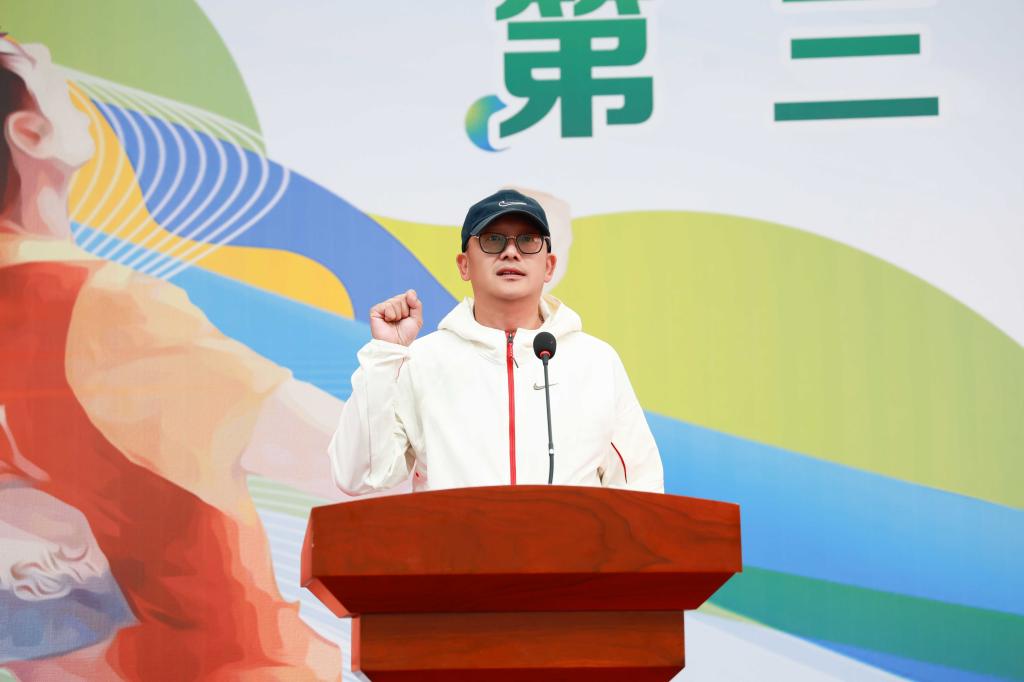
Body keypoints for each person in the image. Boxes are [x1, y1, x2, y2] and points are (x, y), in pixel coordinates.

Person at [1, 38, 344, 679]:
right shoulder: (101, 308)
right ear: (30, 133)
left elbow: (30, 623)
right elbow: (355, 461)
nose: (44, 50)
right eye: (41, 70)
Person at [329, 189, 664, 493]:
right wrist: (386, 353)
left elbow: (641, 486)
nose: (511, 252)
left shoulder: (595, 361)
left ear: (549, 266)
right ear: (464, 265)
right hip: (453, 545)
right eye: (493, 240)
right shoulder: (422, 360)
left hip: (569, 545)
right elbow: (356, 475)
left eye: (527, 240)